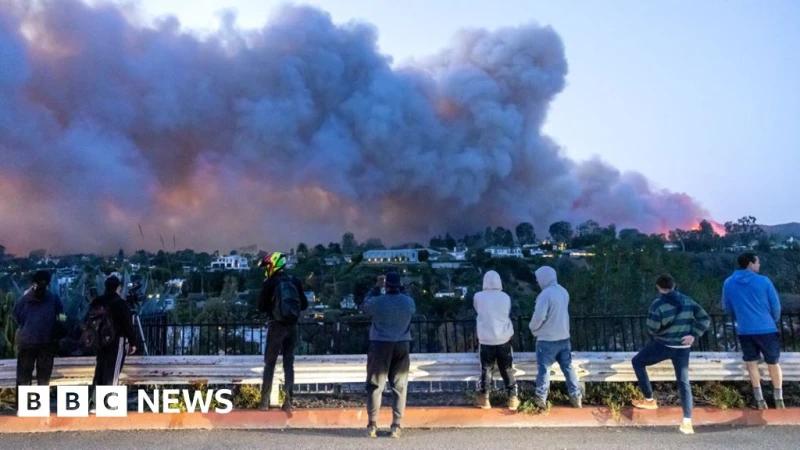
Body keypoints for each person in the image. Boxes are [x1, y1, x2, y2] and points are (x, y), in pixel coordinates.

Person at [631, 274, 710, 435]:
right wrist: (693, 335)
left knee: (638, 362)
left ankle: (649, 399)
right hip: (682, 347)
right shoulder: (687, 300)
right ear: (674, 285)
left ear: (659, 287)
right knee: (683, 382)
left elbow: (652, 327)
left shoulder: (658, 304)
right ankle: (687, 421)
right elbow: (704, 318)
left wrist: (659, 332)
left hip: (663, 345)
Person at [722, 252, 783, 409]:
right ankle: (778, 398)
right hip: (767, 329)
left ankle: (759, 399)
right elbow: (776, 306)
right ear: (750, 263)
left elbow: (727, 307)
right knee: (773, 362)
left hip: (745, 329)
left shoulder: (728, 282)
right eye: (757, 262)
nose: (759, 265)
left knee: (751, 363)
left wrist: (741, 316)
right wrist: (772, 320)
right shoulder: (764, 281)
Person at [361, 272, 416, 439]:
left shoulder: (378, 302)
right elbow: (411, 308)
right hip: (402, 344)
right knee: (400, 386)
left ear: (386, 285)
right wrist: (404, 291)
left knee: (375, 385)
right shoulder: (408, 302)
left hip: (379, 345)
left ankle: (372, 425)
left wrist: (375, 288)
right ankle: (396, 425)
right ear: (399, 285)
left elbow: (364, 307)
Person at [257, 252, 308, 412]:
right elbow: (304, 304)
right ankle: (288, 401)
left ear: (273, 265)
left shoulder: (270, 283)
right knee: (288, 364)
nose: (266, 269)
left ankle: (264, 402)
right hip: (292, 327)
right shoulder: (295, 281)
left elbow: (261, 306)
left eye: (267, 266)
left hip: (276, 326)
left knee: (270, 364)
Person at [529, 266, 582, 409]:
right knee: (568, 368)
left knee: (544, 370)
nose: (538, 281)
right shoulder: (563, 291)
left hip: (547, 339)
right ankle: (576, 396)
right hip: (564, 338)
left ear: (544, 278)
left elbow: (539, 316)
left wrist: (532, 328)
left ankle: (541, 398)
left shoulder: (545, 294)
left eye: (538, 278)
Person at [473, 270, 519, 410]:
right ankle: (512, 398)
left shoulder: (478, 297)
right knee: (507, 369)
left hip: (486, 339)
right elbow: (507, 312)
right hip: (504, 338)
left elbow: (477, 310)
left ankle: (485, 399)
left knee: (486, 368)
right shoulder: (505, 297)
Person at [14, 270, 64, 386]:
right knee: (43, 379)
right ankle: (35, 402)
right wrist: (59, 325)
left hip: (29, 342)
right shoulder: (53, 298)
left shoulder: (24, 300)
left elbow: (16, 317)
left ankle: (23, 402)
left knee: (24, 378)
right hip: (45, 343)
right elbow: (62, 316)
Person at [89, 275, 138, 388]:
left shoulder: (97, 301)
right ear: (118, 288)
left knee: (100, 370)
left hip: (100, 341)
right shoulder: (120, 303)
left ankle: (95, 398)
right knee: (112, 372)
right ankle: (108, 400)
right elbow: (127, 325)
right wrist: (133, 342)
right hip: (116, 341)